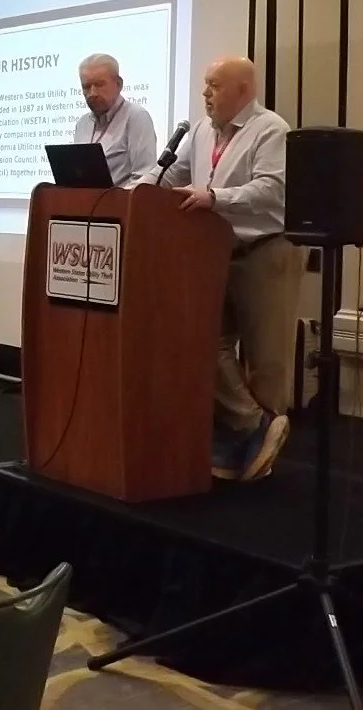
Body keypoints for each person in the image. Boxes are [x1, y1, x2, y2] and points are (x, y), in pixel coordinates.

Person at [156, 56, 298, 482]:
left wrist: (216, 198)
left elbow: (272, 189)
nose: (205, 93)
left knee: (265, 357)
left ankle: (259, 459)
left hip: (264, 251)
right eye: (205, 84)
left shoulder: (271, 129)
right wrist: (128, 193)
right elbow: (169, 174)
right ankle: (254, 427)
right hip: (214, 253)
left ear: (242, 90)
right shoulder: (200, 131)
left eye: (214, 85)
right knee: (204, 340)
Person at [73, 53, 158, 186]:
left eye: (99, 85)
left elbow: (144, 176)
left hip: (120, 205)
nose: (92, 93)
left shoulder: (136, 117)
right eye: (86, 86)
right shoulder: (82, 124)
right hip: (85, 204)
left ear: (118, 84)